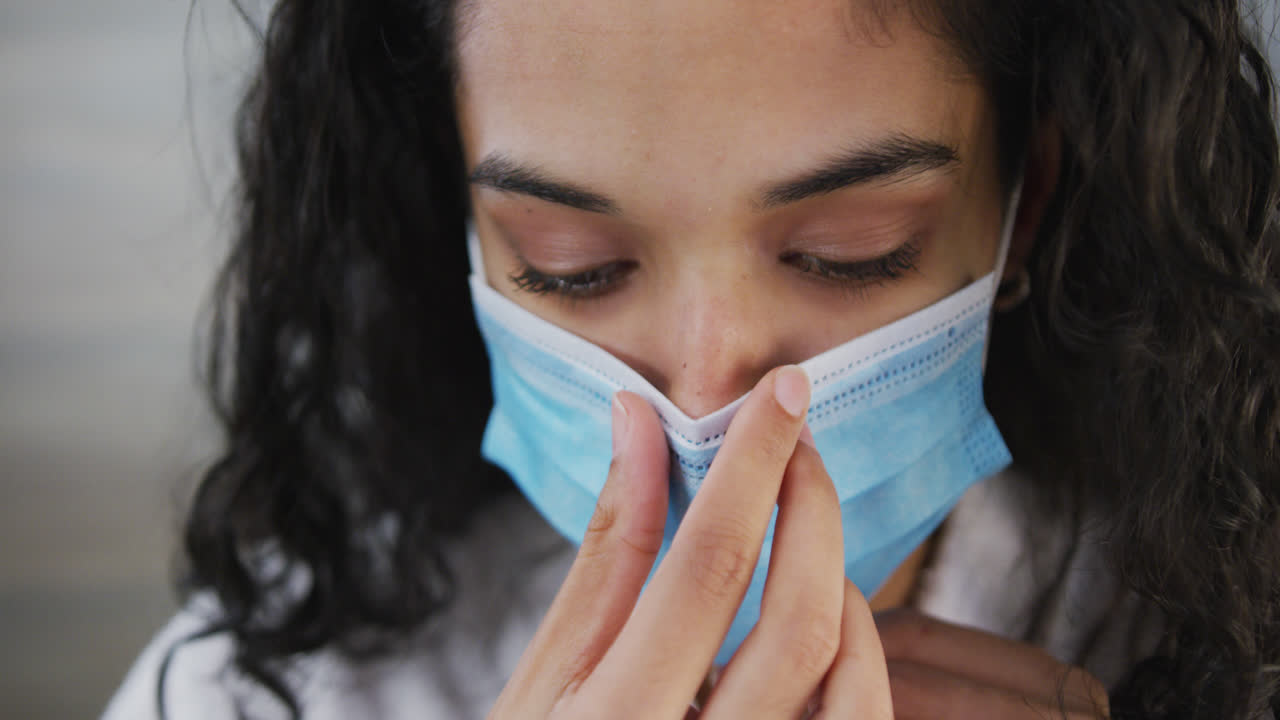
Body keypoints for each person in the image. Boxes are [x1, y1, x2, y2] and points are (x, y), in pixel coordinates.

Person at [102, 0, 1280, 718]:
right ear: (459, 233)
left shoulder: (1217, 646)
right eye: (569, 266)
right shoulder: (263, 690)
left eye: (845, 253)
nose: (711, 399)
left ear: (1020, 209)